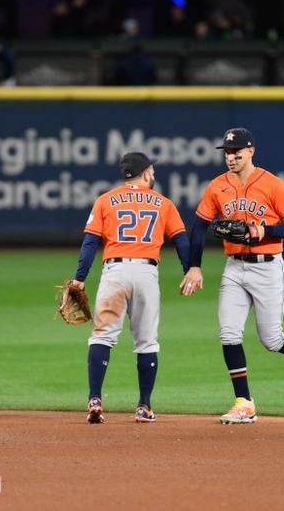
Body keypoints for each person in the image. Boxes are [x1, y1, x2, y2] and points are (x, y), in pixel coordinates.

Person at [180, 127, 284, 424]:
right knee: (229, 333)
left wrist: (265, 230)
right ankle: (244, 401)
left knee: (271, 339)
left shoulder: (271, 184)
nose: (231, 158)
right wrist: (194, 265)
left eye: (237, 152)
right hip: (234, 267)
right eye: (228, 153)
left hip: (270, 265)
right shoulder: (217, 186)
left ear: (251, 152)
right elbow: (198, 226)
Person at [72, 152, 190, 424]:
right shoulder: (163, 203)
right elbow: (181, 241)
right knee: (146, 341)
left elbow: (90, 243)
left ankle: (94, 398)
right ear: (147, 173)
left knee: (102, 337)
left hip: (115, 272)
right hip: (146, 272)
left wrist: (80, 277)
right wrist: (189, 270)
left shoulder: (105, 200)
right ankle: (144, 406)